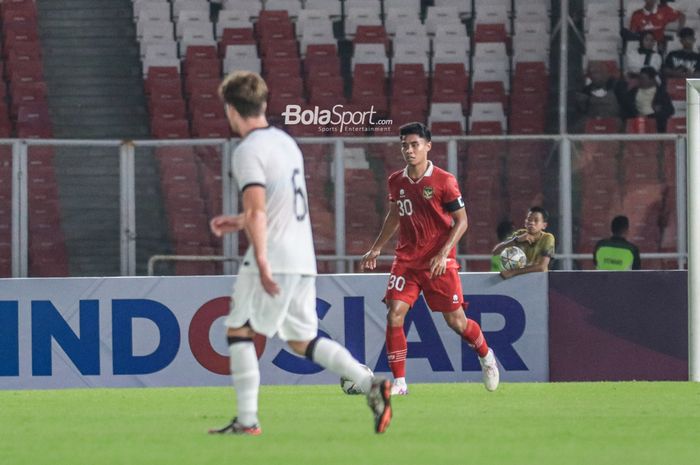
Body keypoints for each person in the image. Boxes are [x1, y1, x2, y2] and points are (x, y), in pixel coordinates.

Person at [208, 71, 392, 435]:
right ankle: (369, 382)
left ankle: (247, 421)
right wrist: (238, 220)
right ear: (263, 104)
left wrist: (261, 259)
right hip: (302, 256)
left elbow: (261, 212)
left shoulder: (247, 151)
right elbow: (273, 205)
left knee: (239, 329)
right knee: (300, 339)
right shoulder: (285, 143)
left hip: (275, 253)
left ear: (231, 110)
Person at [359, 122, 499, 396]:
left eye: (414, 145)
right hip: (407, 261)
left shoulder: (444, 180)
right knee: (394, 314)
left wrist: (443, 253)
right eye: (404, 145)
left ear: (427, 146)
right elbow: (395, 215)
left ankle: (486, 355)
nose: (408, 150)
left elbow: (462, 221)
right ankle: (400, 383)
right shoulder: (396, 180)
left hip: (438, 263)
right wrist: (376, 247)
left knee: (457, 323)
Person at [491, 206, 556, 280]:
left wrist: (513, 272)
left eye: (536, 220)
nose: (531, 223)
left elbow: (542, 267)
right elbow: (495, 252)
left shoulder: (547, 238)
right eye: (529, 220)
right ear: (525, 222)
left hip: (539, 281)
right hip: (520, 280)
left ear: (544, 225)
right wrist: (515, 240)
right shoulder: (520, 234)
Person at [574, 61, 628, 132]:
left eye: (596, 72)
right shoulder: (587, 90)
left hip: (613, 125)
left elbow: (626, 108)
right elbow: (582, 111)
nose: (593, 76)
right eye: (591, 73)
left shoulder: (618, 87)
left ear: (605, 73)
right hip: (593, 125)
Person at [622, 66, 675, 132]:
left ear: (652, 79)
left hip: (656, 123)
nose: (640, 81)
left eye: (643, 79)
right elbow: (625, 109)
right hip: (635, 122)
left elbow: (670, 110)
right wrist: (636, 115)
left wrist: (652, 115)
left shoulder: (661, 94)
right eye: (639, 78)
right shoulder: (632, 93)